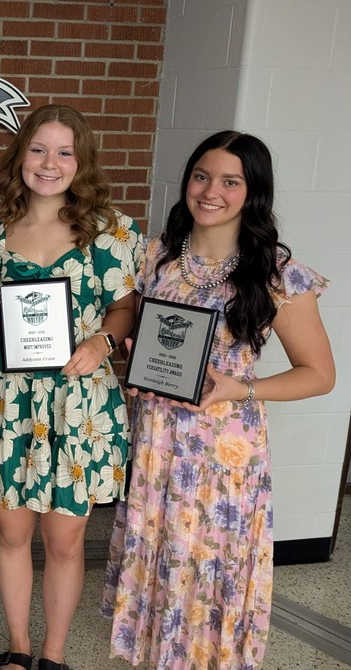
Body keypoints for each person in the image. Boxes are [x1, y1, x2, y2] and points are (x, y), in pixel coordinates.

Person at [102, 131, 335, 669]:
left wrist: (241, 388)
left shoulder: (278, 273)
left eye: (231, 181)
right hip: (156, 442)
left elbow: (319, 375)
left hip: (221, 457)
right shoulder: (156, 254)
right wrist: (135, 363)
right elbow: (142, 334)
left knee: (207, 573)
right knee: (160, 562)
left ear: (252, 192)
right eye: (202, 176)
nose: (211, 191)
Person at [0, 104, 143, 670]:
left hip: (78, 403)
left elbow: (126, 306)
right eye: (39, 149)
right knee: (11, 536)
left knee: (64, 541)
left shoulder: (112, 231)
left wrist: (102, 344)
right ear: (20, 157)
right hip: (8, 402)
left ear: (81, 161)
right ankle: (17, 647)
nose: (50, 162)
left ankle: (54, 653)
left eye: (65, 152)